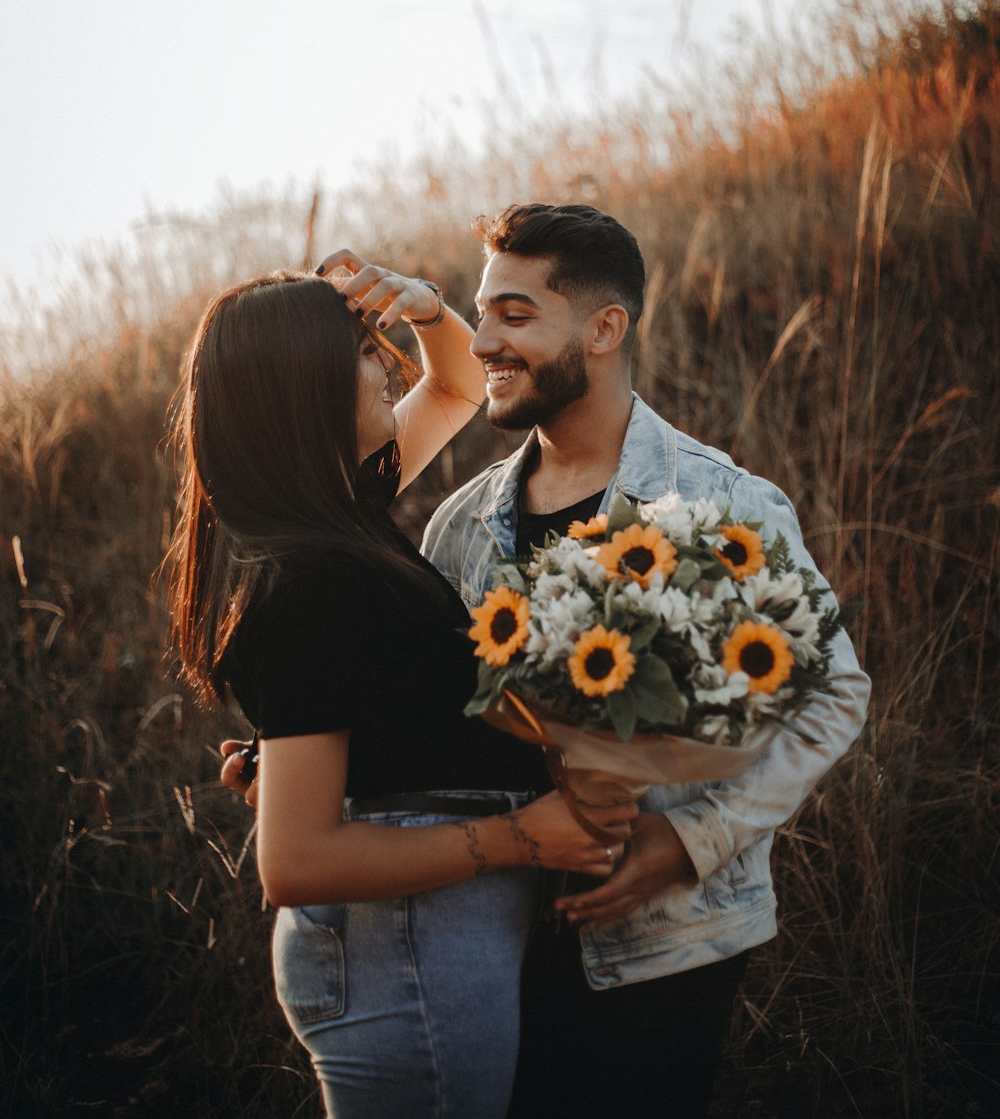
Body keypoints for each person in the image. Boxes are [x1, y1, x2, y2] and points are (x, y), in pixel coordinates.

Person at [419, 202, 872, 1119]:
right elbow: (434, 717)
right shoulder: (458, 526)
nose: (485, 344)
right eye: (480, 314)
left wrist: (690, 841)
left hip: (670, 939)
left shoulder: (722, 500)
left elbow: (834, 694)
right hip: (487, 938)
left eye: (514, 315)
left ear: (604, 327)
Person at [168, 254, 635, 1119]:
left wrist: (422, 309)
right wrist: (521, 840)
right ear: (303, 390)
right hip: (406, 945)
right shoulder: (309, 577)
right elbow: (296, 861)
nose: (387, 364)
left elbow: (456, 389)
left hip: (420, 938)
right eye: (362, 353)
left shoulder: (335, 517)